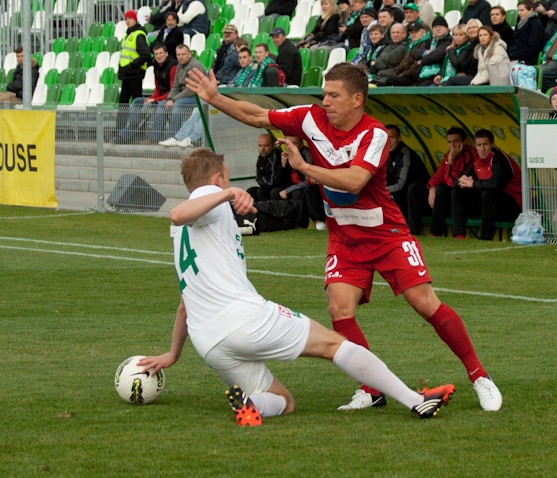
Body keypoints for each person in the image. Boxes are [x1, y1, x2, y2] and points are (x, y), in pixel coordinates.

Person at [185, 63, 502, 411]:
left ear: (357, 99)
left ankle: (480, 376)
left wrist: (304, 167)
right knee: (339, 308)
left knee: (424, 303)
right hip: (344, 238)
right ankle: (371, 389)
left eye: (334, 95)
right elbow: (258, 115)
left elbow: (354, 181)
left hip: (386, 234)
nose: (325, 101)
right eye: (324, 93)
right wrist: (216, 98)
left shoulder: (375, 134)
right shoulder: (311, 117)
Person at [137, 147, 456, 425]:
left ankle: (252, 404)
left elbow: (185, 304)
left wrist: (174, 353)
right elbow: (177, 213)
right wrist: (228, 193)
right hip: (243, 320)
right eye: (228, 177)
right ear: (218, 177)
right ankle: (416, 401)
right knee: (336, 345)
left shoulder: (184, 234)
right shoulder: (209, 201)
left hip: (209, 342)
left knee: (283, 401)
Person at [452, 129, 522, 240]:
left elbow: (496, 185)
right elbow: (459, 180)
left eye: (485, 144)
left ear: (493, 144)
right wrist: (461, 181)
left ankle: (485, 239)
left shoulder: (500, 159)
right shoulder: (478, 161)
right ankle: (459, 236)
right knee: (457, 191)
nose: (482, 149)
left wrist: (473, 184)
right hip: (490, 206)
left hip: (512, 207)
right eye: (479, 145)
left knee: (488, 194)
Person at [407, 127, 477, 236]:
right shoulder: (449, 154)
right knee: (414, 189)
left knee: (442, 188)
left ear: (463, 142)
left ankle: (436, 233)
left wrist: (451, 162)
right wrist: (432, 188)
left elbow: (454, 183)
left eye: (456, 141)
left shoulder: (470, 154)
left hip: (460, 199)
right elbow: (437, 176)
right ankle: (413, 233)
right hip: (443, 198)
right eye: (449, 142)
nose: (452, 145)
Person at [119, 42, 177, 143]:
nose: (158, 56)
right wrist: (151, 99)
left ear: (166, 53)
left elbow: (173, 91)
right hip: (161, 96)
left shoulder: (173, 66)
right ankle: (128, 134)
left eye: (161, 53)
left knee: (158, 105)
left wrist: (154, 99)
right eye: (156, 54)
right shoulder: (155, 65)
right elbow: (158, 88)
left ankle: (154, 138)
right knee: (137, 101)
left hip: (171, 97)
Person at [149, 44, 206, 142]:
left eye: (183, 54)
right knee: (162, 104)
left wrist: (174, 99)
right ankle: (155, 137)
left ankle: (173, 137)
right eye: (178, 55)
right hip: (185, 94)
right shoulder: (179, 65)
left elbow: (191, 90)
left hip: (198, 95)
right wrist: (169, 98)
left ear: (189, 54)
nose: (181, 57)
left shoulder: (195, 66)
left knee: (178, 104)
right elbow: (175, 86)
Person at [385, 125, 429, 221]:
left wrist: (381, 191)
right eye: (385, 138)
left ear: (399, 138)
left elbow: (401, 185)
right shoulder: (384, 154)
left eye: (392, 137)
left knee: (388, 200)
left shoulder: (405, 154)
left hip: (417, 200)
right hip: (399, 196)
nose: (388, 142)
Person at [117, 9, 151, 121]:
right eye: (126, 19)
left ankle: (137, 126)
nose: (128, 21)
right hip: (127, 73)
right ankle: (121, 128)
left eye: (130, 18)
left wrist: (131, 66)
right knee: (123, 103)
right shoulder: (128, 34)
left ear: (135, 19)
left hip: (134, 73)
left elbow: (145, 55)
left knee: (135, 102)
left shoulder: (138, 35)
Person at [379, 21, 429, 86]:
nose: (413, 35)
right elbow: (404, 62)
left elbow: (415, 66)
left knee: (389, 80)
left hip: (413, 77)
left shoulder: (425, 44)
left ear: (423, 32)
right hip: (405, 74)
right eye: (411, 33)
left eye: (416, 32)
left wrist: (401, 75)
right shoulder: (411, 45)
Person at [508, 0, 546, 66]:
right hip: (516, 56)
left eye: (522, 10)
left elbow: (531, 48)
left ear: (531, 10)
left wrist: (511, 54)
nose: (519, 13)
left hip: (526, 61)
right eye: (518, 10)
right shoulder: (521, 23)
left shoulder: (536, 25)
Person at [247, 133, 284, 201]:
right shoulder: (261, 157)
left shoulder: (276, 157)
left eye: (266, 145)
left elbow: (273, 182)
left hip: (279, 188)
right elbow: (258, 177)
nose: (262, 149)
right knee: (250, 191)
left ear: (273, 146)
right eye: (260, 145)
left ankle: (267, 208)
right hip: (266, 186)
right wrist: (263, 181)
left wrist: (263, 180)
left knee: (262, 191)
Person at [417, 16, 452, 85]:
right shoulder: (430, 41)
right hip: (423, 74)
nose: (438, 29)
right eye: (435, 27)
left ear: (447, 28)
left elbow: (436, 56)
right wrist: (426, 52)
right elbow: (416, 52)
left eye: (440, 26)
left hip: (438, 75)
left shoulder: (449, 41)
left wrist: (421, 61)